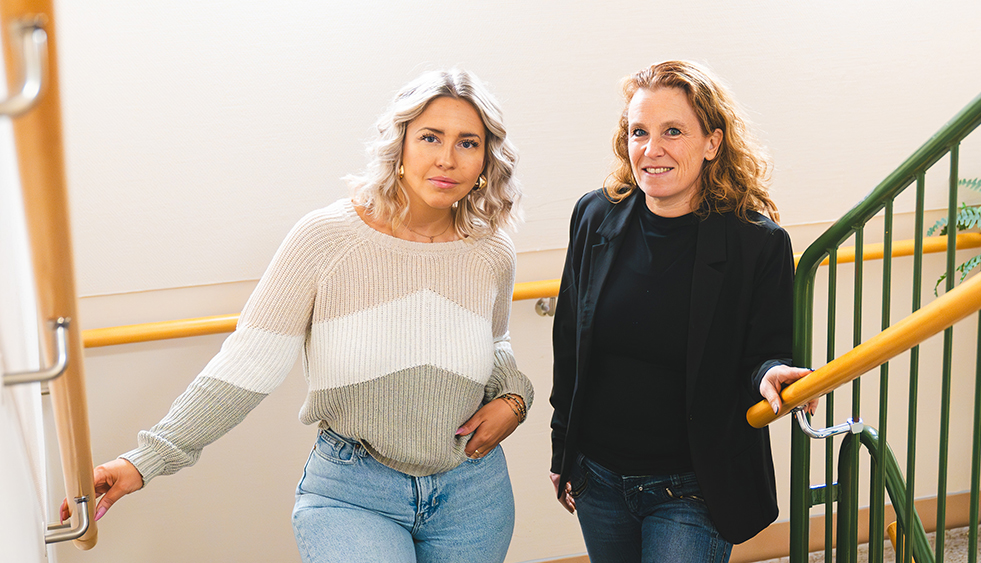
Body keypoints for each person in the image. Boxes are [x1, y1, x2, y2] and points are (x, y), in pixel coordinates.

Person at [71, 69, 534, 563]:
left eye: (467, 143)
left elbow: (493, 341)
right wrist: (146, 459)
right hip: (353, 492)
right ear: (399, 146)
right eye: (430, 137)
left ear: (486, 159)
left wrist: (514, 395)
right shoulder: (326, 238)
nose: (447, 158)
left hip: (471, 490)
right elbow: (248, 362)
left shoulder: (491, 252)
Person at [548, 60, 816, 563]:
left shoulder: (757, 243)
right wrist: (564, 449)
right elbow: (570, 341)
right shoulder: (594, 215)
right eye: (639, 132)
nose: (652, 150)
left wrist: (771, 372)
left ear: (712, 143)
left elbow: (767, 349)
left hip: (693, 486)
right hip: (598, 478)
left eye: (673, 131)